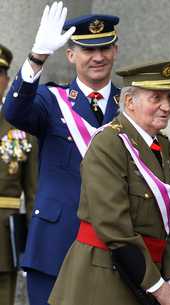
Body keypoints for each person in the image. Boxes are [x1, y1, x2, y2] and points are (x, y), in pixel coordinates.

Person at [48, 60, 170, 305]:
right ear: (129, 102)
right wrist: (158, 288)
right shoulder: (110, 143)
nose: (167, 106)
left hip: (145, 276)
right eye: (156, 98)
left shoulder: (163, 146)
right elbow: (114, 225)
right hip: (103, 278)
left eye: (169, 97)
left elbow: (167, 222)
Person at [3, 2, 120, 305]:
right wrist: (37, 57)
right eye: (87, 50)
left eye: (105, 48)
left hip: (117, 246)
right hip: (56, 243)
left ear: (115, 51)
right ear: (71, 55)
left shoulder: (129, 106)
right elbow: (14, 111)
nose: (97, 57)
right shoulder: (50, 99)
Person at [0, 44, 38, 305]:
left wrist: (36, 242)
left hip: (2, 237)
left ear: (5, 80)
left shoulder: (21, 126)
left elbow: (34, 190)